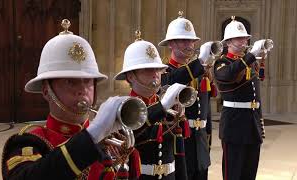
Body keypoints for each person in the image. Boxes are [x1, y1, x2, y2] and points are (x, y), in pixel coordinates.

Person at [1, 19, 124, 180]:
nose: (82, 90)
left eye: (88, 81)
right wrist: (93, 134)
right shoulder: (28, 143)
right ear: (46, 91)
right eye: (70, 81)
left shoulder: (111, 140)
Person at [114, 31, 188, 180]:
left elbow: (179, 153)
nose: (155, 74)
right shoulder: (122, 109)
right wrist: (162, 106)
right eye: (148, 69)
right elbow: (132, 134)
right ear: (130, 76)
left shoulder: (168, 106)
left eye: (158, 69)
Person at [158, 11, 214, 180]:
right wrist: (198, 64)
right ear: (171, 44)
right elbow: (172, 80)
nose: (189, 45)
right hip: (179, 144)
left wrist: (207, 138)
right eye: (183, 40)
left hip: (200, 142)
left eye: (191, 40)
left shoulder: (198, 73)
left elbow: (206, 111)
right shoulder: (165, 71)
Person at [213, 16, 267, 180]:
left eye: (245, 38)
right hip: (234, 125)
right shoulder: (222, 62)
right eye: (239, 38)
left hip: (252, 123)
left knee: (249, 173)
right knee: (234, 173)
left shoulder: (249, 62)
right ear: (228, 42)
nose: (243, 41)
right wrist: (250, 55)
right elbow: (228, 75)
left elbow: (256, 94)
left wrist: (260, 121)